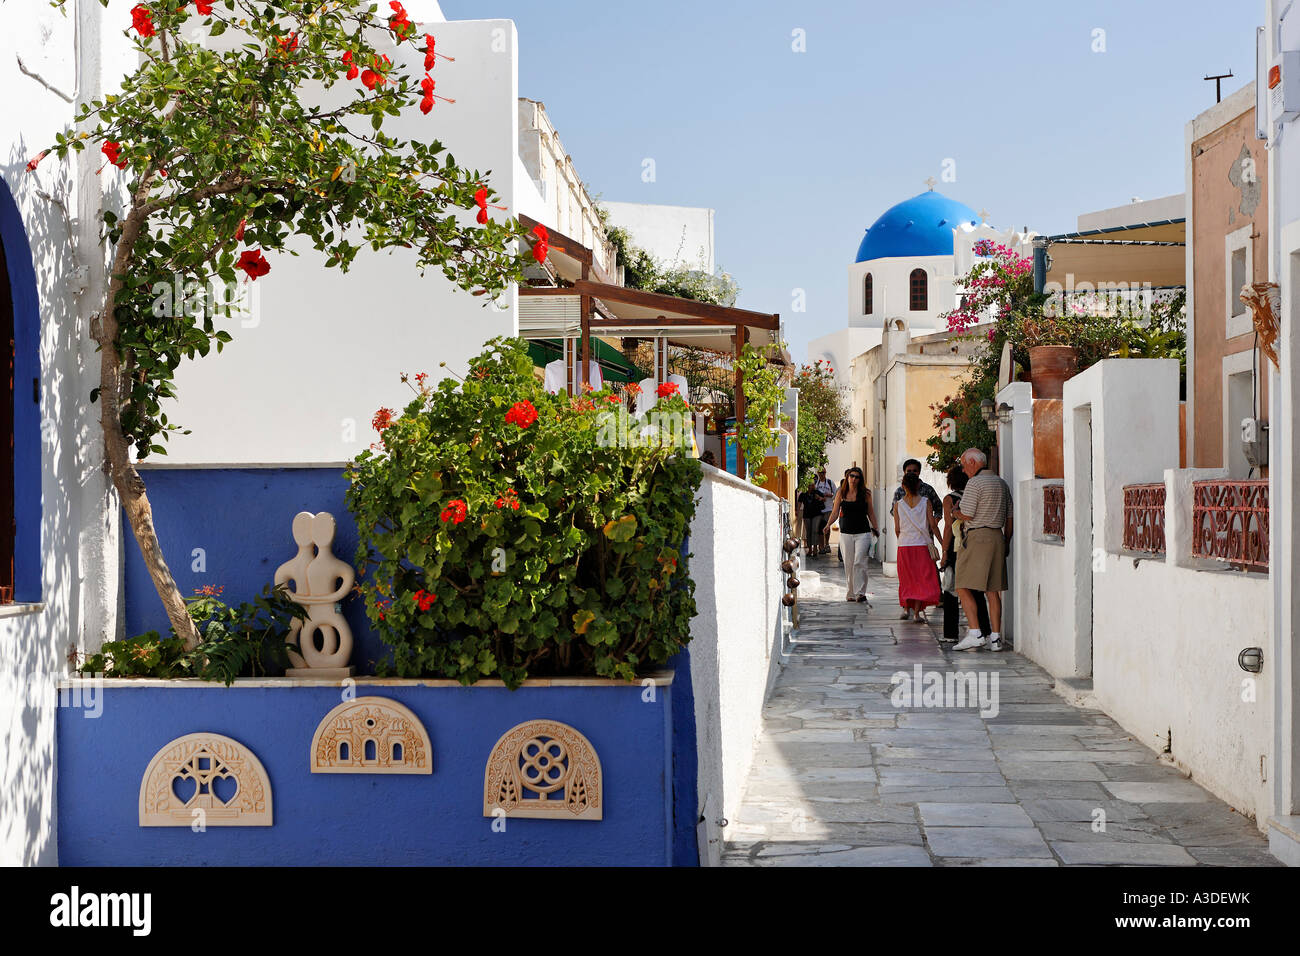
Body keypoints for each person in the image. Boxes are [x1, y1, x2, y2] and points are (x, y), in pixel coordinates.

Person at [951, 448, 1013, 652]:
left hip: (978, 537)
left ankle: (975, 632)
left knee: (961, 584)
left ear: (972, 462)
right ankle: (995, 638)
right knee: (992, 590)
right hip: (997, 536)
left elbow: (967, 514)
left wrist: (955, 511)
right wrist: (1007, 541)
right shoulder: (1001, 483)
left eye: (963, 464)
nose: (962, 469)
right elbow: (1009, 516)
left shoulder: (975, 483)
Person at [940, 465, 991, 644]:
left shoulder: (950, 499)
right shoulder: (974, 496)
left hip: (957, 548)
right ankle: (985, 630)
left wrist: (944, 552)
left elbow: (948, 526)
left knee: (951, 591)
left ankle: (950, 633)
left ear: (950, 481)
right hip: (975, 546)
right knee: (976, 590)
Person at [893, 472, 942, 623]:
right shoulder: (926, 502)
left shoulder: (898, 505)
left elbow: (897, 528)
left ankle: (906, 609)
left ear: (903, 486)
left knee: (906, 579)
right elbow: (932, 525)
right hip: (921, 545)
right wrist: (942, 542)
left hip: (904, 546)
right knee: (921, 579)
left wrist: (902, 540)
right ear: (918, 485)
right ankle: (917, 614)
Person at [824, 467, 877, 603]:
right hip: (846, 533)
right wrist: (828, 524)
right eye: (851, 476)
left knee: (860, 562)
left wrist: (876, 528)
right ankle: (850, 592)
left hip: (863, 532)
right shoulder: (841, 493)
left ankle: (860, 593)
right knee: (849, 563)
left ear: (860, 479)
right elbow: (835, 512)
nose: (854, 479)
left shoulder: (866, 494)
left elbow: (871, 512)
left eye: (857, 477)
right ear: (847, 477)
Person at [796, 480, 827, 554]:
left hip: (817, 514)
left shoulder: (817, 492)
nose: (811, 486)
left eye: (812, 485)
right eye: (809, 485)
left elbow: (824, 499)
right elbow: (799, 503)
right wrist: (797, 512)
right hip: (807, 515)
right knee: (808, 532)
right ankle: (810, 549)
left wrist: (819, 498)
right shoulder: (803, 494)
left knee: (815, 530)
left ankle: (815, 548)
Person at [814, 467, 836, 555]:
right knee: (819, 528)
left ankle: (827, 544)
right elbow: (813, 494)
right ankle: (821, 546)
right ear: (818, 473)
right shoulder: (816, 484)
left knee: (827, 527)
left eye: (823, 472)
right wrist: (819, 498)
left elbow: (836, 494)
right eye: (820, 472)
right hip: (819, 509)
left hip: (829, 508)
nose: (822, 474)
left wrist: (829, 495)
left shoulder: (830, 483)